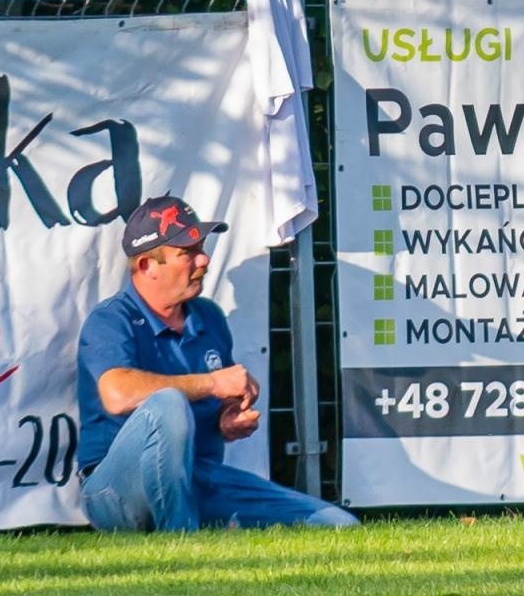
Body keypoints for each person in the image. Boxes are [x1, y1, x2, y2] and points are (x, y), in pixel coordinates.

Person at [76, 194, 358, 530]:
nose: (204, 260)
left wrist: (227, 421)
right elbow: (117, 394)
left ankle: (193, 522)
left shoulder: (209, 317)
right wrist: (212, 383)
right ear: (146, 266)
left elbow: (212, 412)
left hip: (198, 479)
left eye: (202, 248)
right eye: (188, 253)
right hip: (114, 493)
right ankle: (181, 539)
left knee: (337, 523)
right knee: (168, 403)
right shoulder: (111, 319)